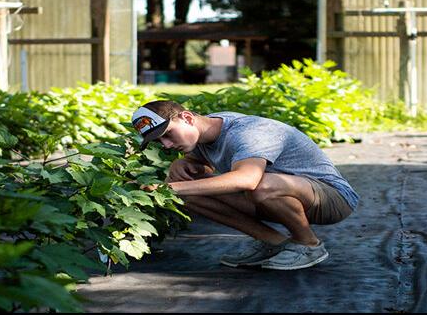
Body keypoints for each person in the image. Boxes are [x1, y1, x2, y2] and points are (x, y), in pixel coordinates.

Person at [131, 100, 358, 270]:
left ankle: (308, 244)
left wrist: (168, 189)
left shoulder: (249, 133)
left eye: (168, 134)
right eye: (159, 141)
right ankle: (275, 243)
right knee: (187, 190)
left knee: (262, 185)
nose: (167, 145)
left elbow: (246, 179)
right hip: (277, 198)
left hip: (331, 198)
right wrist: (183, 165)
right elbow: (206, 169)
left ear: (188, 118)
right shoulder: (203, 134)